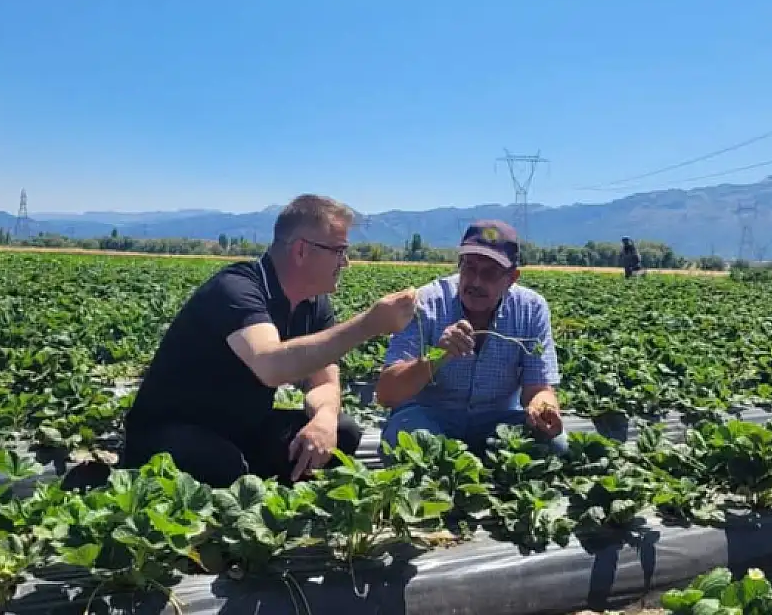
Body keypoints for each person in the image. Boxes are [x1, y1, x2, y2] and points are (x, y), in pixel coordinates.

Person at [120, 194, 418, 487]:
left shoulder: (314, 305)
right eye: (339, 251)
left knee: (343, 433)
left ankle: (263, 489)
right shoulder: (237, 288)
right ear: (301, 250)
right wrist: (369, 324)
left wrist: (325, 418)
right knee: (222, 465)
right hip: (172, 430)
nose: (346, 262)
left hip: (242, 428)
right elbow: (271, 364)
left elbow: (325, 383)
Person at [375, 220, 566, 458]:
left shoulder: (531, 308)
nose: (476, 282)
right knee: (406, 441)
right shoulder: (424, 303)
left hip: (499, 422)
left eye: (489, 273)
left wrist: (543, 406)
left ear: (512, 277)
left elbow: (538, 388)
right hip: (429, 418)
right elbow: (387, 394)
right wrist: (437, 356)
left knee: (555, 445)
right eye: (469, 267)